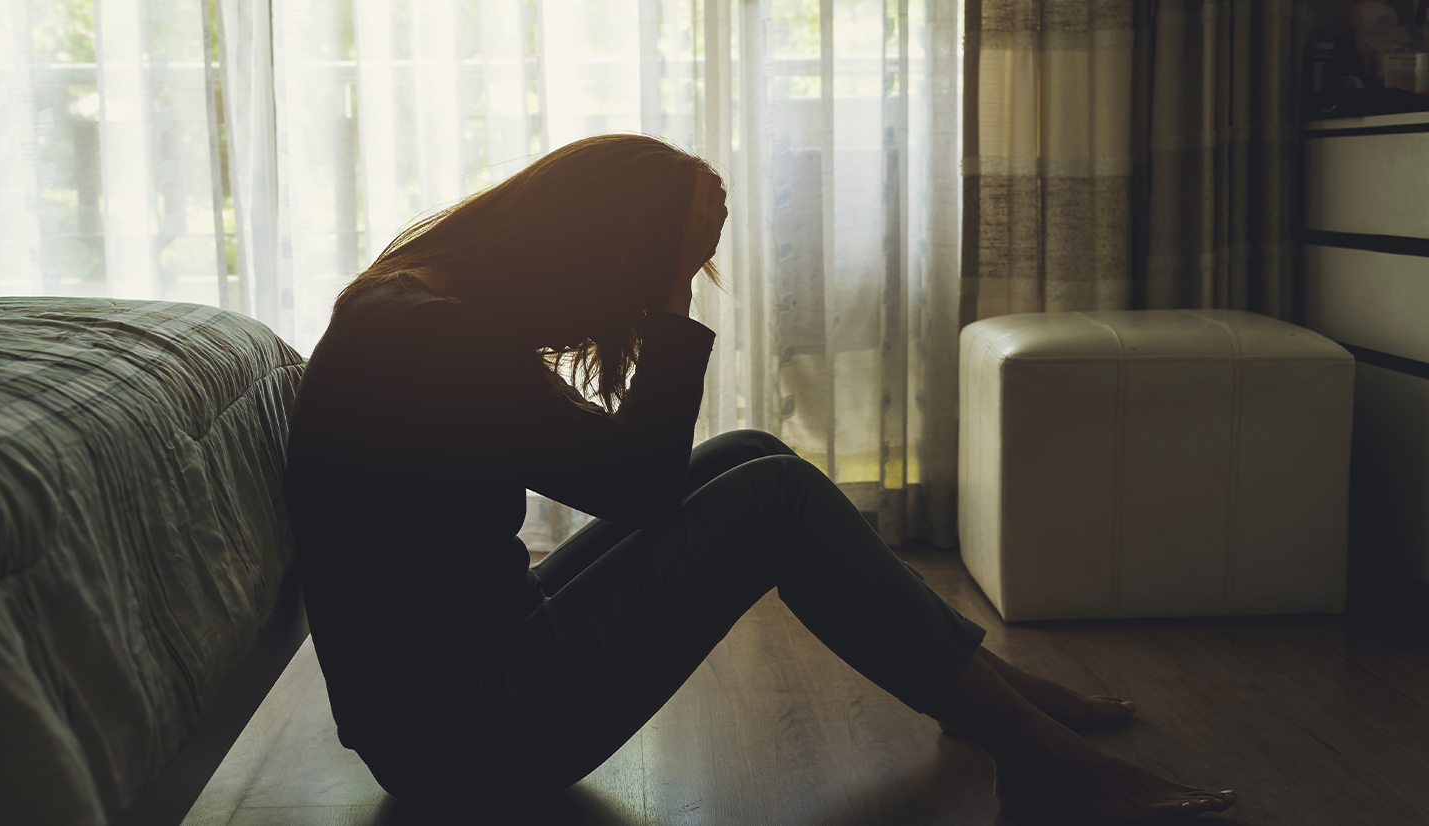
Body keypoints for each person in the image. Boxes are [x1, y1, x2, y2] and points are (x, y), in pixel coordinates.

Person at [283, 133, 1237, 820]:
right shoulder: (430, 337)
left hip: (454, 690)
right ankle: (1038, 755)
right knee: (770, 499)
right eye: (679, 263)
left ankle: (985, 688)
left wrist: (668, 260)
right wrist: (667, 301)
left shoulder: (417, 307)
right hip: (466, 737)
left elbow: (618, 474)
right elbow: (640, 484)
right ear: (599, 244)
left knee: (752, 456)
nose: (690, 278)